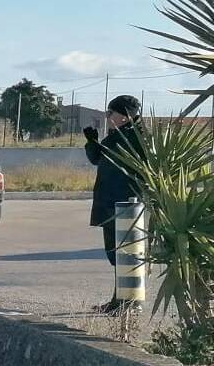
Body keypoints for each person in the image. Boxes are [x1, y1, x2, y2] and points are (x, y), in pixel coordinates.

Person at [84, 94, 145, 315]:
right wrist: (92, 142)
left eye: (112, 113)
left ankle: (129, 302)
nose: (108, 116)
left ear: (125, 115)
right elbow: (98, 158)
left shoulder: (137, 138)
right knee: (115, 255)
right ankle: (119, 301)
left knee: (126, 254)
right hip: (109, 203)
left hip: (125, 204)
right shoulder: (117, 135)